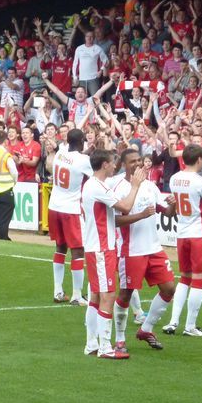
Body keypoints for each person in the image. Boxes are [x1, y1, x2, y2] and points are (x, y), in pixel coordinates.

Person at [110, 148, 178, 351]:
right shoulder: (119, 187)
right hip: (131, 250)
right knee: (125, 294)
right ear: (124, 165)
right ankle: (120, 340)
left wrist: (173, 205)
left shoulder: (150, 186)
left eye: (139, 160)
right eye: (132, 161)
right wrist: (140, 215)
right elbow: (114, 220)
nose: (138, 164)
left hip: (154, 248)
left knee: (169, 289)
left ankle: (146, 329)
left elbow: (167, 214)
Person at [81, 149, 144, 359]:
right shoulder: (97, 187)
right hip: (101, 247)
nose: (114, 166)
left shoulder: (93, 185)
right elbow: (125, 206)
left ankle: (92, 343)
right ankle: (105, 347)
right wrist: (135, 186)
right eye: (112, 162)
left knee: (96, 297)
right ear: (104, 165)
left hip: (95, 246)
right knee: (107, 295)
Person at [163, 144, 202, 337]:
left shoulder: (174, 179)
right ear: (198, 160)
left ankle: (173, 322)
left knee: (185, 277)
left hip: (182, 233)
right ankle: (190, 326)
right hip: (198, 234)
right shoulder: (200, 182)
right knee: (198, 278)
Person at [47, 129, 91, 305]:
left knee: (60, 247)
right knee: (78, 250)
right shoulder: (83, 160)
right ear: (81, 141)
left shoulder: (60, 154)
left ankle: (58, 291)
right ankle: (77, 295)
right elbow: (94, 170)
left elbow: (75, 160)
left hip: (54, 205)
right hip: (71, 208)